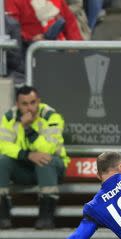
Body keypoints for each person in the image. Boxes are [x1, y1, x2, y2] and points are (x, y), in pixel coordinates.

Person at [0, 86, 70, 229]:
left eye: (33, 102)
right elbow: (3, 145)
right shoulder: (9, 117)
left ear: (39, 101)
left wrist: (28, 129)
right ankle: (3, 217)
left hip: (53, 169)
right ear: (17, 104)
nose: (30, 108)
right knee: (2, 161)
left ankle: (46, 218)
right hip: (24, 167)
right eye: (24, 104)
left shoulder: (52, 116)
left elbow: (48, 149)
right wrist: (27, 155)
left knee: (45, 160)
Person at [5, 0, 83, 49]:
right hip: (30, 52)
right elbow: (12, 30)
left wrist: (75, 46)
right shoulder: (13, 1)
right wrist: (30, 39)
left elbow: (70, 22)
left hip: (60, 49)